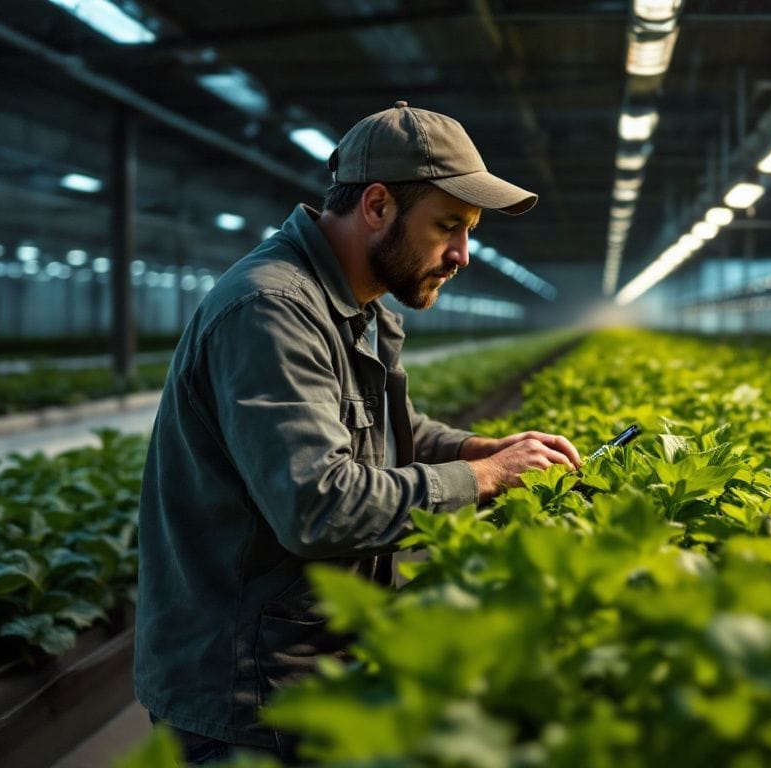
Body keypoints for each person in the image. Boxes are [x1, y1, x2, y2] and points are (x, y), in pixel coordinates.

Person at [134, 102, 582, 764]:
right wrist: (484, 479)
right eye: (449, 227)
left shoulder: (357, 303)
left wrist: (468, 448)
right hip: (250, 693)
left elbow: (379, 428)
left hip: (311, 661)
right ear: (376, 206)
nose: (461, 254)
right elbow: (318, 503)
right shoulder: (272, 310)